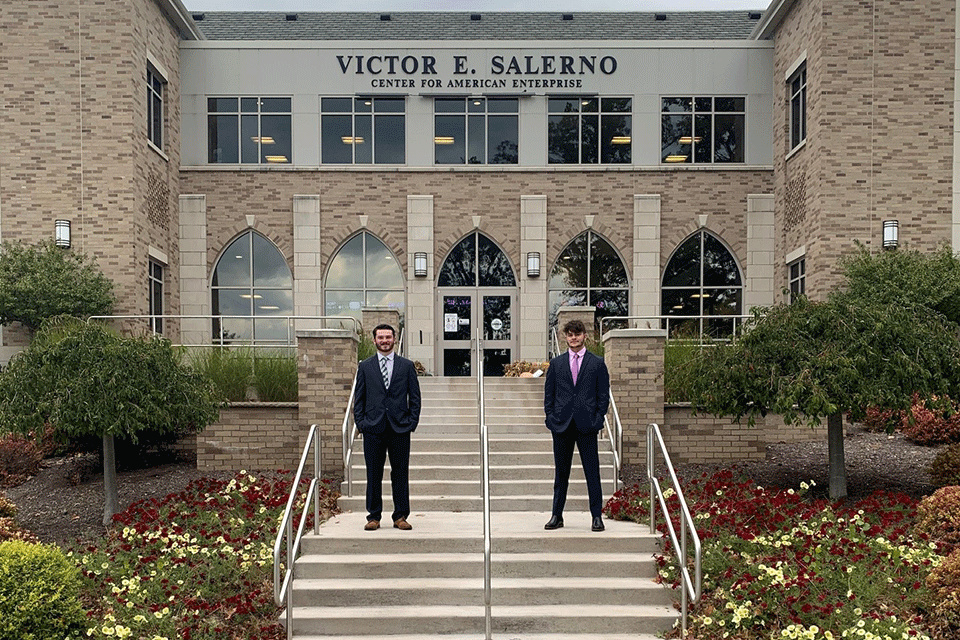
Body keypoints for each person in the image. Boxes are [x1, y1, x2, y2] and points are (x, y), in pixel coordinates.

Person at [542, 319, 610, 532]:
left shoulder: (597, 363)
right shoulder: (556, 364)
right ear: (565, 337)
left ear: (584, 336)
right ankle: (557, 515)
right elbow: (549, 395)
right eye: (570, 334)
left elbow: (603, 396)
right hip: (561, 425)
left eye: (577, 334)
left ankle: (597, 517)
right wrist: (551, 418)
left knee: (592, 472)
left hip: (587, 425)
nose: (574, 337)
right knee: (561, 473)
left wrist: (598, 419)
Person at [353, 323, 422, 531]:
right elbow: (359, 399)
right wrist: (361, 423)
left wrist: (412, 422)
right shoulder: (365, 366)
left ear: (394, 339)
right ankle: (373, 516)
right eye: (381, 337)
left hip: (400, 428)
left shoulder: (406, 366)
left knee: (400, 473)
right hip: (373, 428)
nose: (385, 341)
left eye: (388, 337)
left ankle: (400, 516)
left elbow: (415, 398)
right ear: (374, 340)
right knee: (373, 474)